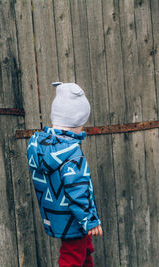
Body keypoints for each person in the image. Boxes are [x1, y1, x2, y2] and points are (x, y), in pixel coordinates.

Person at [27, 82, 102, 267]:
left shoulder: (37, 145)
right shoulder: (72, 154)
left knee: (84, 250)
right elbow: (77, 191)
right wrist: (90, 220)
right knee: (72, 257)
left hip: (56, 216)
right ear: (78, 121)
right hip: (75, 218)